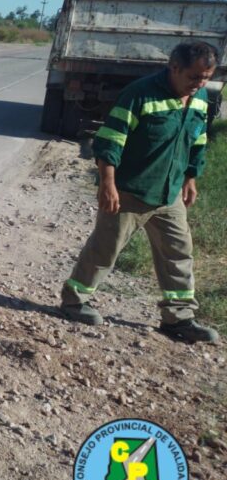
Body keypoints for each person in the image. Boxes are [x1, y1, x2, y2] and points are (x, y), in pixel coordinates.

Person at [59, 40, 218, 343]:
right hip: (130, 191)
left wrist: (191, 178)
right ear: (174, 67)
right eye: (194, 77)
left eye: (206, 78)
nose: (199, 84)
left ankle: (178, 318)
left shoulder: (199, 99)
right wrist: (108, 183)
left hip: (169, 192)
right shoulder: (140, 94)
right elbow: (110, 140)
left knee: (178, 253)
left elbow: (197, 140)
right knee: (105, 249)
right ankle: (74, 301)